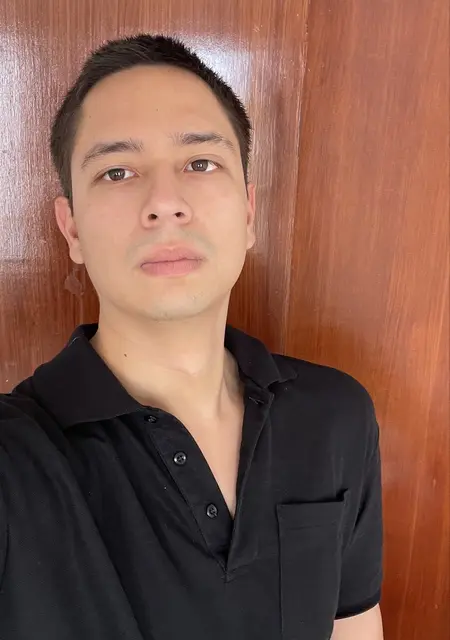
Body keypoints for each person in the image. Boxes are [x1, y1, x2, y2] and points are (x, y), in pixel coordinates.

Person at [0, 34, 383, 640]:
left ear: (249, 212)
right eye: (117, 171)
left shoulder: (338, 415)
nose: (165, 203)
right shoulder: (18, 456)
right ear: (71, 229)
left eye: (200, 163)